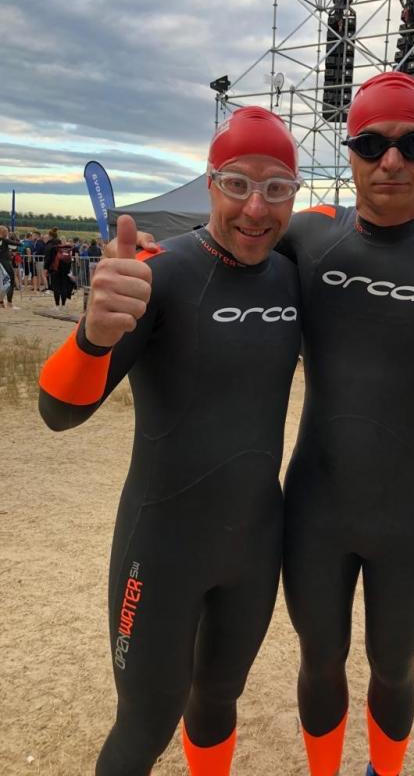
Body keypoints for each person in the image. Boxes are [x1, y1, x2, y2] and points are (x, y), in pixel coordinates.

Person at [131, 74, 414, 776]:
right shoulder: (309, 233)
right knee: (320, 660)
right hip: (316, 506)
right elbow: (223, 250)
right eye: (372, 143)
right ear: (349, 150)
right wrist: (148, 257)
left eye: (413, 144)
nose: (392, 160)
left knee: (393, 667)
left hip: (409, 511)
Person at [38, 107, 304, 776]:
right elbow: (58, 413)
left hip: (255, 545)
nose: (255, 207)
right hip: (161, 548)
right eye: (237, 183)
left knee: (217, 700)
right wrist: (93, 334)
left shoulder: (293, 276)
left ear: (294, 196)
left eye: (276, 188)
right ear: (210, 184)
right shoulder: (160, 275)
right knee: (146, 723)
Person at [0, 225, 19, 309]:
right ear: (4, 232)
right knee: (11, 281)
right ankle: (9, 303)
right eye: (7, 232)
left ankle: (1, 303)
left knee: (1, 283)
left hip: (1, 263)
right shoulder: (4, 240)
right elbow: (18, 244)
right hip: (5, 262)